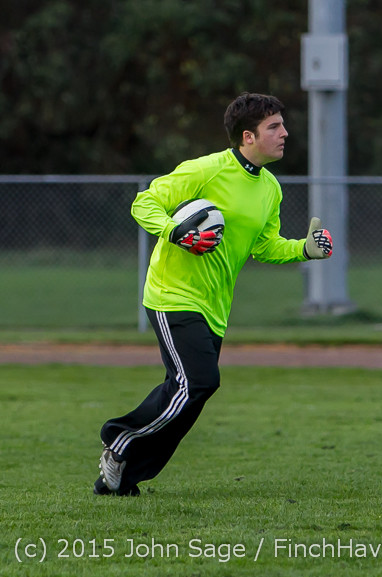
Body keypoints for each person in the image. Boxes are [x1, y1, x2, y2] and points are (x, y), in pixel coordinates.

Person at [95, 92, 333, 496]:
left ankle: (121, 477)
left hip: (215, 307)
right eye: (274, 127)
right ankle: (118, 440)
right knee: (197, 382)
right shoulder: (205, 169)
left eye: (282, 124)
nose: (284, 133)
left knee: (190, 396)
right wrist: (175, 230)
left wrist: (303, 249)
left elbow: (264, 246)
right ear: (247, 137)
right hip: (173, 294)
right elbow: (144, 202)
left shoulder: (270, 189)